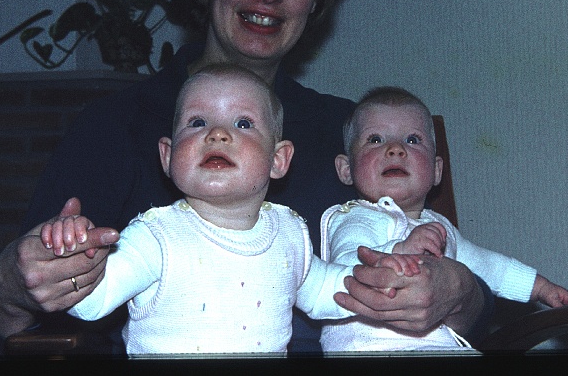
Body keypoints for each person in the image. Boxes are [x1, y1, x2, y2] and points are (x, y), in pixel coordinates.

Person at [0, 0, 493, 356]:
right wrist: (12, 284)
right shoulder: (113, 127)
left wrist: (458, 294)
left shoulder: (358, 134)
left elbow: (481, 302)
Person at [40, 65, 355, 354]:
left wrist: (382, 277)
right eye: (197, 122)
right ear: (167, 155)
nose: (217, 134)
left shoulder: (289, 233)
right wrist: (73, 258)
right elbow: (92, 304)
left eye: (243, 123)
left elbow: (325, 293)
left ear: (278, 160)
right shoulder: (155, 238)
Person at [319, 87, 568, 352]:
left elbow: (490, 266)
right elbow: (346, 266)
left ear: (436, 171)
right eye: (375, 139)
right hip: (366, 347)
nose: (395, 149)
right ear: (346, 169)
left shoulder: (440, 228)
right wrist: (400, 250)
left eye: (412, 139)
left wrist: (540, 288)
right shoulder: (353, 217)